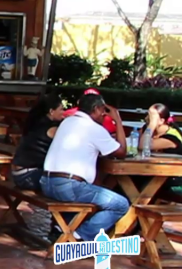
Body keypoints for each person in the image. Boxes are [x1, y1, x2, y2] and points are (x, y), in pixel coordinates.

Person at [39, 93, 128, 241]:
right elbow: (122, 152)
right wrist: (117, 120)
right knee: (121, 204)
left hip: (47, 183)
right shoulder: (94, 128)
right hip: (68, 187)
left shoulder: (67, 122)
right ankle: (79, 236)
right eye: (103, 111)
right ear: (95, 109)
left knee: (82, 196)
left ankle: (60, 230)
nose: (104, 115)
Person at [10, 93, 65, 191]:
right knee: (65, 184)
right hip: (29, 176)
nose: (63, 112)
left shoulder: (34, 122)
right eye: (61, 109)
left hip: (18, 174)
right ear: (51, 111)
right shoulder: (53, 129)